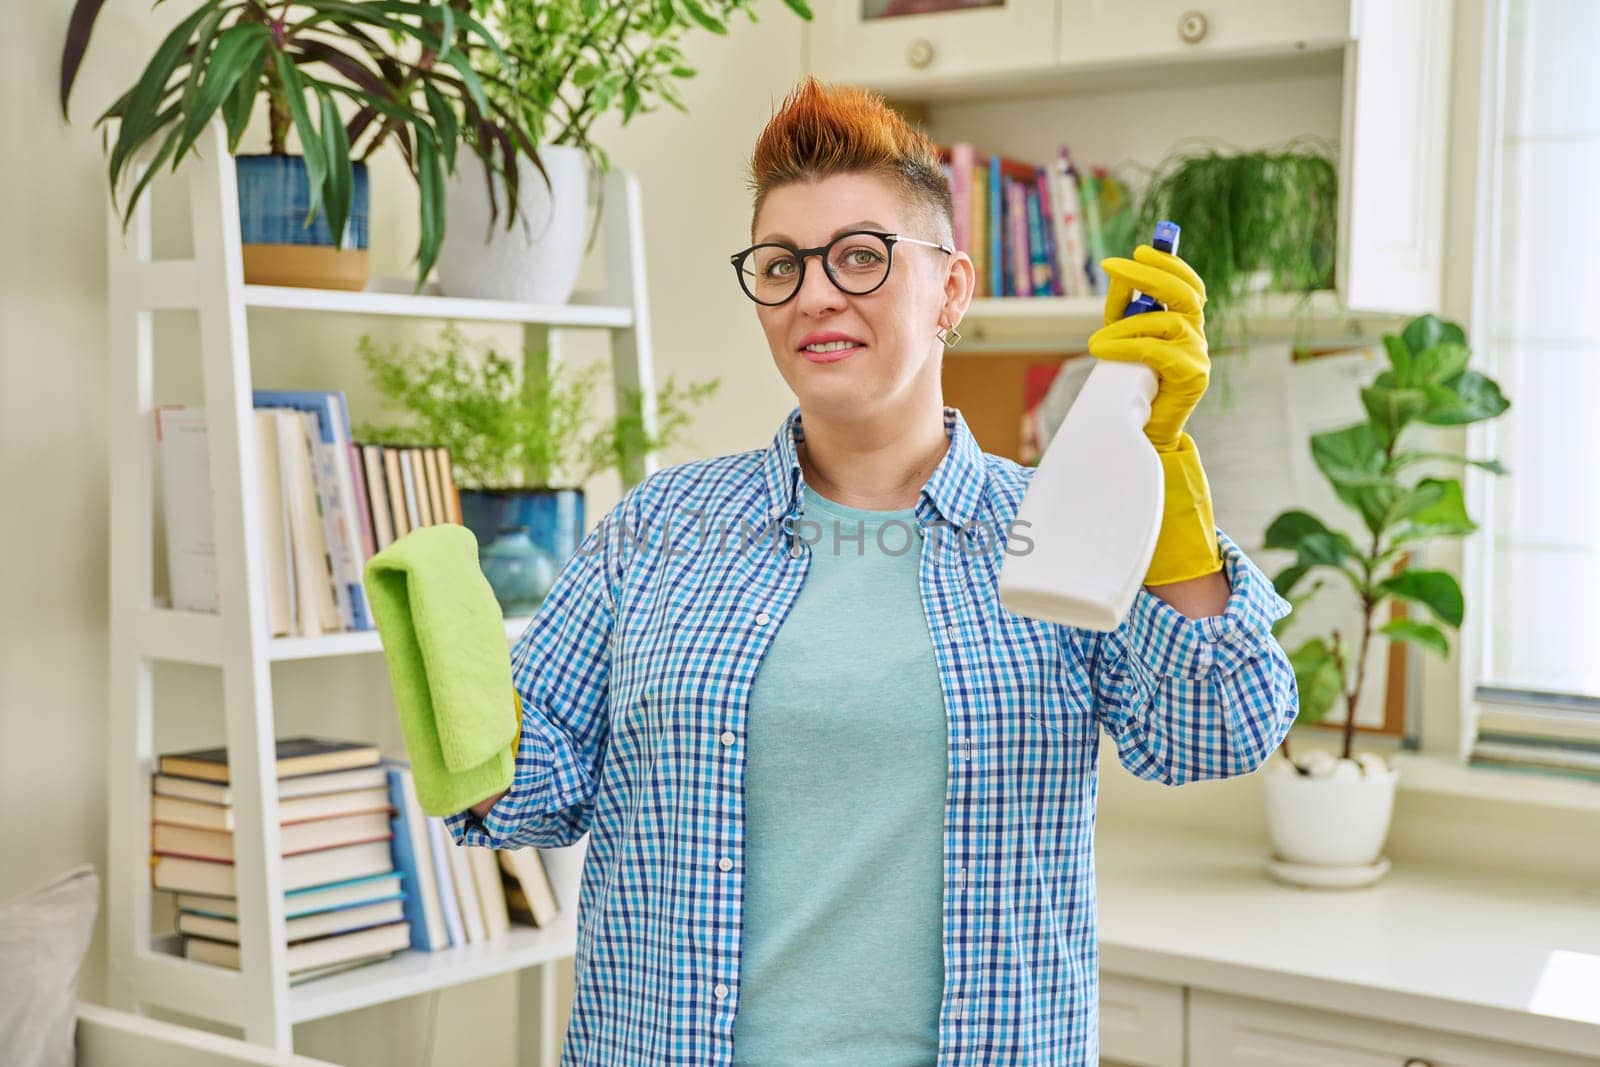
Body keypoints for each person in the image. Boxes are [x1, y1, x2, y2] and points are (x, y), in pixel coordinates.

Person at [447, 75, 1298, 1066]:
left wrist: (1156, 484)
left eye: (860, 257)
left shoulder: (1061, 519)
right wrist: (452, 695)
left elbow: (1215, 731)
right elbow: (535, 782)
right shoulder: (658, 528)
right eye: (780, 264)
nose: (813, 294)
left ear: (952, 288)